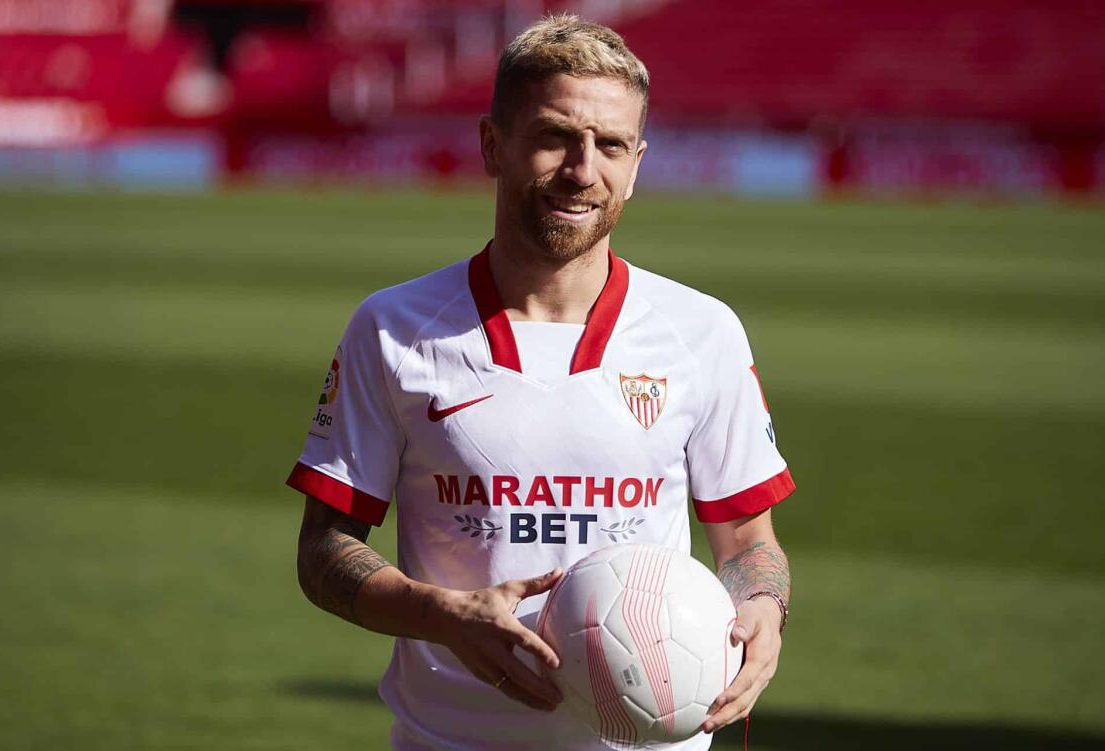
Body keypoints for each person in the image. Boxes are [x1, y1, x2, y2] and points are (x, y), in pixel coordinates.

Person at [287, 14, 795, 751]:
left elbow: (749, 540)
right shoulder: (392, 328)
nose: (583, 168)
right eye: (557, 135)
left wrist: (763, 609)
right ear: (494, 145)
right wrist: (441, 613)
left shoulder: (702, 332)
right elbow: (323, 549)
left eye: (612, 145)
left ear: (638, 161)